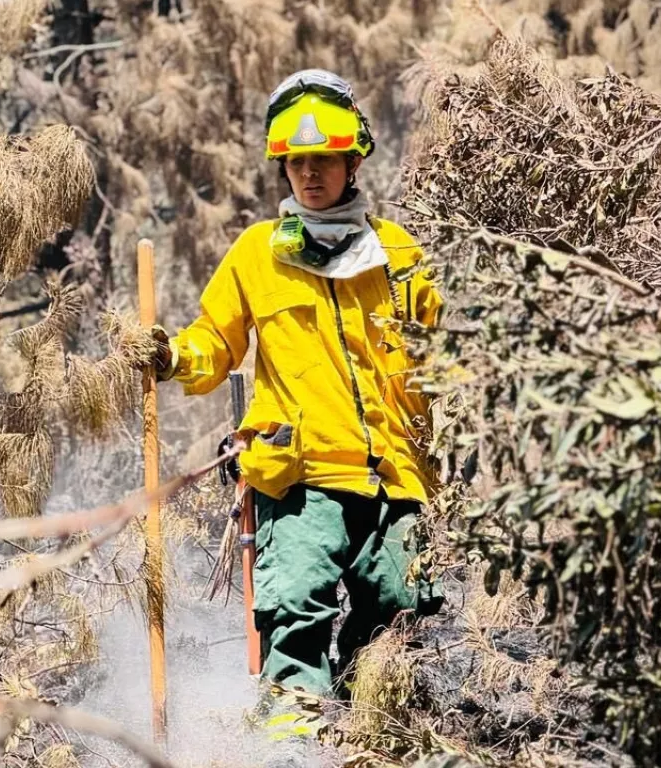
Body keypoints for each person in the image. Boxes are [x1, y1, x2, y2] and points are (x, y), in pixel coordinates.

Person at [151, 69, 444, 706]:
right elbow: (213, 342)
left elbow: (445, 347)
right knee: (296, 608)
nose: (310, 174)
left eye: (324, 160)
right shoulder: (261, 252)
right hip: (302, 477)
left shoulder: (396, 252)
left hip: (395, 473)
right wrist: (172, 356)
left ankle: (368, 724)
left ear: (351, 161)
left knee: (399, 609)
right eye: (297, 162)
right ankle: (294, 744)